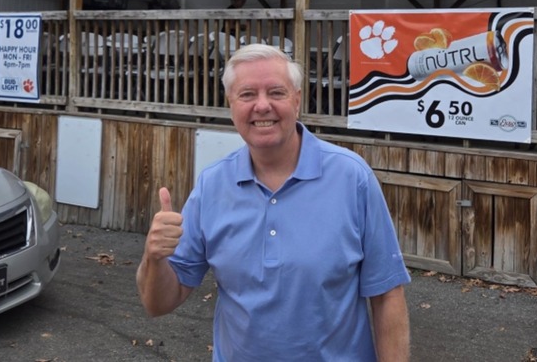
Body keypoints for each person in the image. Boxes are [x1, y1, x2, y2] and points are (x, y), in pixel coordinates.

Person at [136, 44, 411, 361]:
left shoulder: (352, 178)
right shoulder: (213, 185)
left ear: (297, 99)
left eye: (276, 93)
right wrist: (154, 258)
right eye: (247, 94)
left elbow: (387, 294)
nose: (262, 106)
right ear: (231, 105)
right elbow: (158, 304)